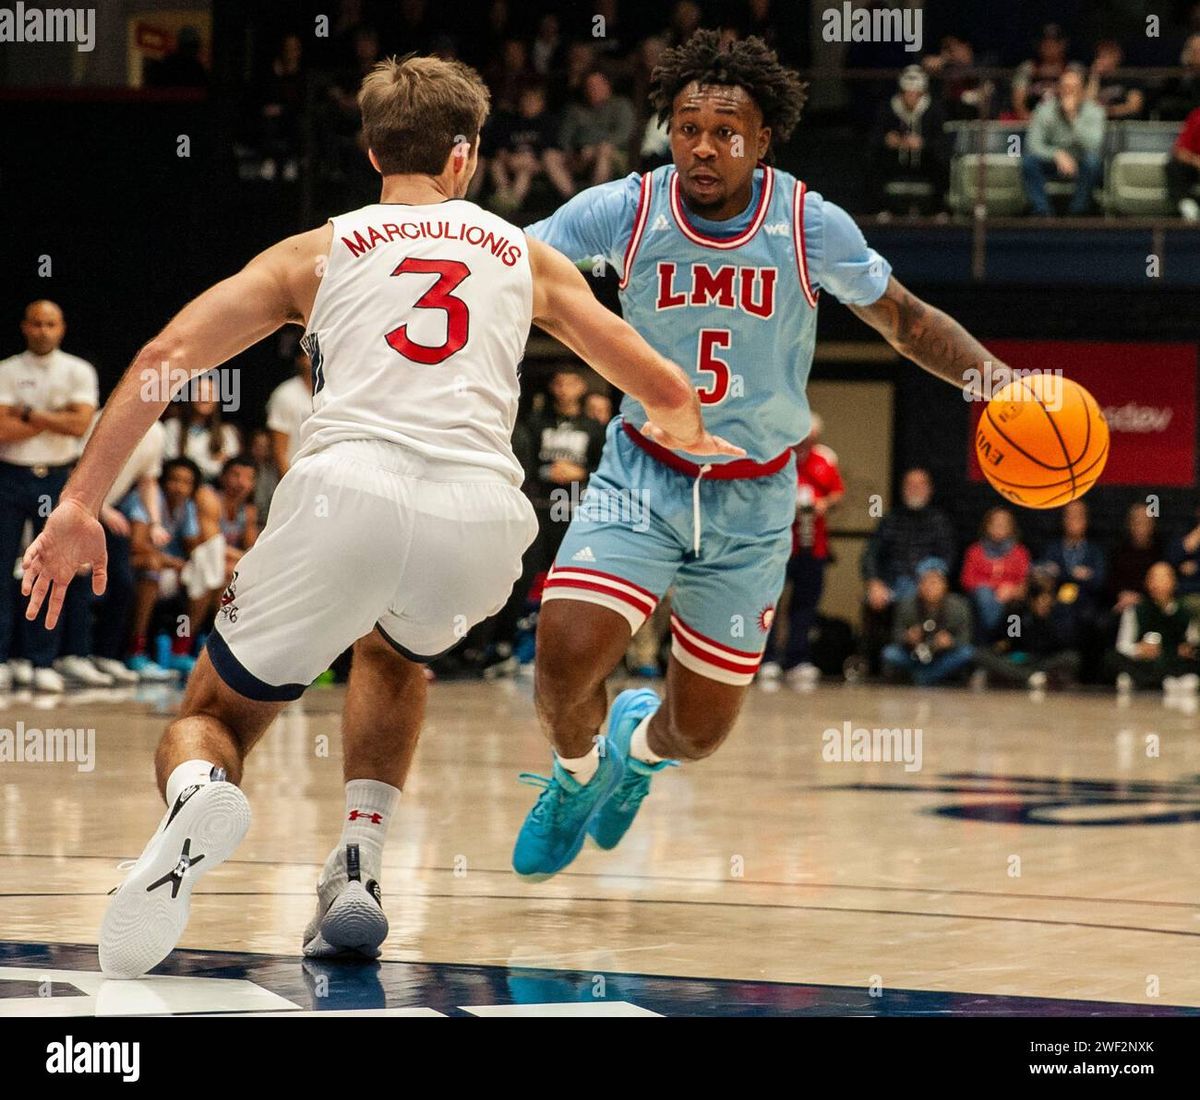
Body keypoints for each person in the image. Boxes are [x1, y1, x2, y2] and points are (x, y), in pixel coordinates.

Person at [20, 53, 730, 979]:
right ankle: (359, 861)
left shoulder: (317, 251)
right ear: (466, 159)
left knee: (215, 714)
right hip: (481, 521)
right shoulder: (526, 257)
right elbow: (665, 388)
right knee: (397, 650)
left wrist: (79, 503)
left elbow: (165, 356)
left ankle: (197, 793)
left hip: (344, 493)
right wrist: (698, 443)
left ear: (370, 151)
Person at [512, 31, 1021, 881]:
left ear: (764, 137)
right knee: (562, 658)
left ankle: (638, 751)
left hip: (754, 499)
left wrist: (997, 380)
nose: (703, 146)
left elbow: (905, 318)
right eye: (685, 128)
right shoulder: (626, 209)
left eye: (726, 131)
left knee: (698, 734)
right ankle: (575, 777)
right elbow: (507, 268)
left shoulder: (807, 223)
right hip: (643, 472)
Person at [0, 300, 98, 693]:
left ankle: (43, 659)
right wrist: (54, 416)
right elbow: (2, 431)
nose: (42, 330)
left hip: (58, 478)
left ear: (62, 328)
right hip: (10, 475)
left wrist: (26, 413)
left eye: (50, 324)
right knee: (3, 568)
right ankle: (4, 658)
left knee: (51, 566)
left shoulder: (78, 370)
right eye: (36, 324)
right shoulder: (7, 369)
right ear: (25, 327)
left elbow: (79, 425)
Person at [760, 414, 844, 686]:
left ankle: (797, 659)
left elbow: (838, 493)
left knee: (805, 605)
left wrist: (823, 505)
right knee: (770, 604)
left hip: (813, 546)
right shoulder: (779, 456)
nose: (806, 444)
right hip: (781, 545)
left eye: (811, 440)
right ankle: (768, 659)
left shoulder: (824, 460)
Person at [859, 467, 956, 672]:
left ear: (929, 489)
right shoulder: (889, 519)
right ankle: (874, 664)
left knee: (915, 596)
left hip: (925, 582)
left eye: (920, 485)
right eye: (910, 485)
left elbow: (946, 558)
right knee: (872, 601)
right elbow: (871, 554)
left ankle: (919, 660)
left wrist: (931, 581)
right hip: (892, 583)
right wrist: (874, 582)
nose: (915, 489)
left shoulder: (939, 521)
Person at [1021, 65, 1106, 217]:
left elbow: (1094, 145)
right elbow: (1032, 144)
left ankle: (1078, 211)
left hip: (1081, 161)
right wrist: (1056, 154)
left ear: (1082, 91)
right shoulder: (1044, 109)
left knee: (1093, 161)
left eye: (1074, 88)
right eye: (1065, 87)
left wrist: (1073, 118)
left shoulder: (1095, 111)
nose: (1069, 91)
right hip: (1052, 161)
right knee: (1028, 161)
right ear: (1058, 89)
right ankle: (1042, 211)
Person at [972, 574, 1081, 690]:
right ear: (1031, 600)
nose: (1044, 603)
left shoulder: (1057, 613)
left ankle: (1022, 676)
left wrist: (1044, 621)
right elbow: (1013, 643)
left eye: (1047, 598)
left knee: (1071, 658)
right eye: (1040, 599)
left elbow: (1062, 643)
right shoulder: (1017, 612)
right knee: (981, 655)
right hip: (1019, 659)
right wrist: (1017, 614)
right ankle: (1031, 677)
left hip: (1043, 660)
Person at [1106, 562, 1199, 694]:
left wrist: (1184, 649)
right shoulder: (1135, 610)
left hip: (1173, 662)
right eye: (1154, 578)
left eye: (1164, 578)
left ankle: (1155, 681)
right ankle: (1153, 680)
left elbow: (1192, 644)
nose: (1158, 584)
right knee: (1112, 658)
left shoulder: (1184, 612)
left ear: (1174, 582)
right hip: (1144, 663)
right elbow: (1122, 645)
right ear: (1147, 583)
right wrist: (1139, 649)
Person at [880, 557, 974, 686]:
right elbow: (896, 636)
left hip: (942, 655)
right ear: (919, 585)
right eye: (925, 582)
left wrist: (950, 642)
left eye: (935, 582)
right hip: (915, 654)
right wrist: (907, 638)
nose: (930, 587)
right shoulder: (906, 606)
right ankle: (926, 677)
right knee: (890, 653)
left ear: (944, 585)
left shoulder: (958, 607)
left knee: (966, 653)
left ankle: (923, 677)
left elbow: (965, 639)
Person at [868, 65, 949, 214]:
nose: (911, 97)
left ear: (922, 93)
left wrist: (923, 143)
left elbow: (942, 140)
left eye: (915, 93)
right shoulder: (888, 108)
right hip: (895, 160)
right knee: (874, 163)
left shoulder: (934, 110)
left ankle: (939, 210)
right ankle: (880, 209)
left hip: (925, 161)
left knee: (941, 163)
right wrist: (887, 140)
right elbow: (874, 137)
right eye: (907, 93)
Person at [548, 70, 635, 194]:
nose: (594, 89)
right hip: (579, 154)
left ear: (607, 86)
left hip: (614, 153)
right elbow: (564, 139)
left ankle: (596, 200)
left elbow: (624, 134)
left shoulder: (621, 105)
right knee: (550, 156)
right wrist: (575, 153)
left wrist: (594, 148)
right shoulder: (575, 110)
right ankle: (572, 199)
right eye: (590, 86)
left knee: (603, 152)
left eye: (598, 85)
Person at [959, 506, 1031, 641]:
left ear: (1011, 527)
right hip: (981, 600)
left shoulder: (1020, 552)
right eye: (995, 522)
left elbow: (1025, 582)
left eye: (1004, 523)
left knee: (1016, 607)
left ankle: (1012, 644)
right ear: (987, 526)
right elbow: (966, 580)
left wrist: (1012, 591)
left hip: (1011, 602)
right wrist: (997, 588)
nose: (999, 526)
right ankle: (989, 638)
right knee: (983, 594)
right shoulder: (975, 551)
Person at [162, 371, 241, 482]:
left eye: (210, 392)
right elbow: (173, 464)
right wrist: (214, 463)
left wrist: (191, 459)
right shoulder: (173, 427)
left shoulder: (227, 433)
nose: (204, 397)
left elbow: (230, 471)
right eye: (199, 391)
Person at [265, 349, 313, 479]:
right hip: (294, 475)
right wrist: (289, 482)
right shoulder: (285, 394)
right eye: (308, 353)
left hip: (324, 475)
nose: (313, 357)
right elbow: (278, 450)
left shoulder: (333, 394)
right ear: (299, 360)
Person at [1011, 23, 1069, 120]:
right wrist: (1032, 121)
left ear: (1062, 45)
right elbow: (1018, 104)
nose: (1049, 46)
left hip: (1063, 123)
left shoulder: (1071, 69)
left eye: (1054, 42)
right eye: (1046, 42)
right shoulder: (1027, 68)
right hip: (1031, 122)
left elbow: (1079, 103)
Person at [1086, 40, 1143, 119]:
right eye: (1100, 56)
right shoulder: (1093, 81)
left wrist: (1108, 111)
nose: (1102, 60)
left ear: (1117, 57)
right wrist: (1094, 75)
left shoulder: (1129, 79)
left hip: (1126, 126)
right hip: (1097, 125)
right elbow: (1088, 104)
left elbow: (1134, 106)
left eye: (1107, 55)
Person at [1166, 106, 1200, 222]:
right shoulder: (1197, 116)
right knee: (1174, 165)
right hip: (1195, 167)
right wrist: (1196, 161)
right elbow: (1180, 151)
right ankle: (1187, 205)